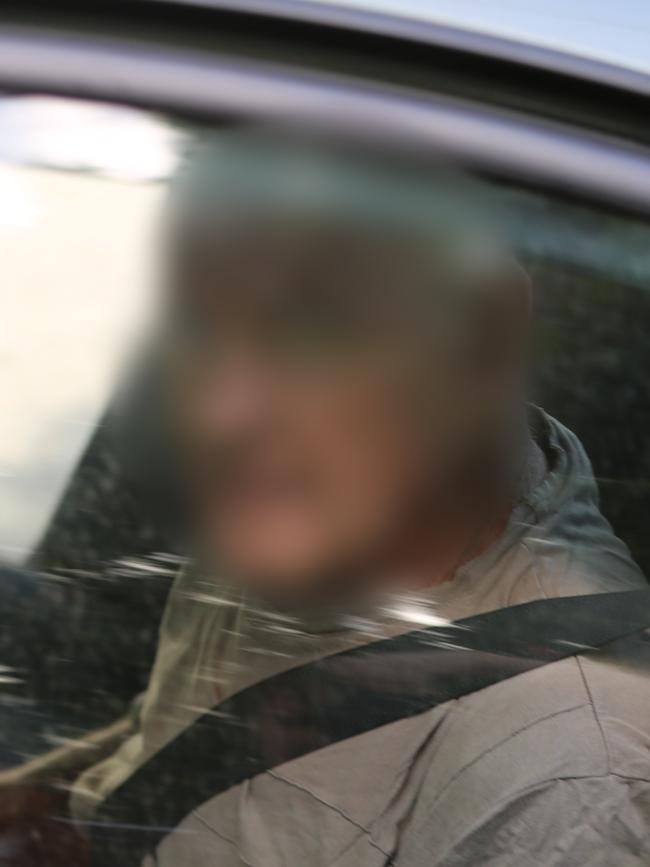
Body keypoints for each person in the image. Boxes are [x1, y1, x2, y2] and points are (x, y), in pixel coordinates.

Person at [7, 132, 650, 865]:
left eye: (309, 329)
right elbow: (184, 725)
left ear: (486, 332)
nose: (221, 409)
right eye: (203, 327)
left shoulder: (573, 777)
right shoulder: (318, 502)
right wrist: (43, 796)